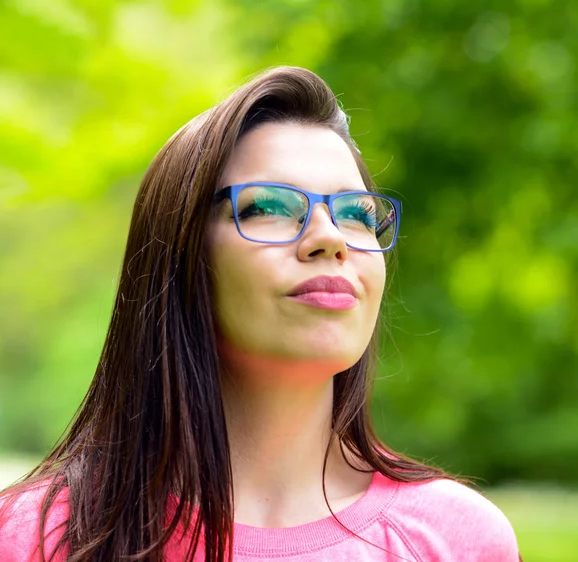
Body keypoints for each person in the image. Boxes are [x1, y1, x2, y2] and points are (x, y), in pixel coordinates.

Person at [0, 66, 522, 561]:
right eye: (270, 206)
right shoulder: (39, 538)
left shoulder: (458, 539)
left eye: (357, 214)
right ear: (182, 257)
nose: (330, 239)